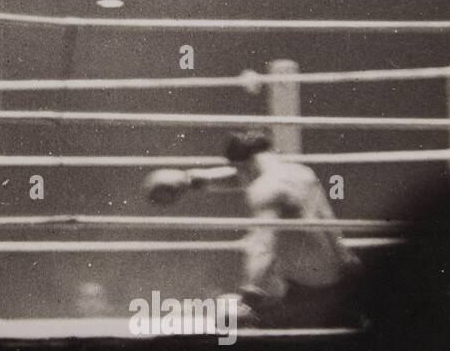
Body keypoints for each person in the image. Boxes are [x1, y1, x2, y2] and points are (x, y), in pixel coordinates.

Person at [144, 128, 361, 326]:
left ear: (243, 165)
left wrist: (249, 292)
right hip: (336, 283)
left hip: (310, 296)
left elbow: (263, 245)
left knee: (226, 315)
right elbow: (240, 176)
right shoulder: (302, 173)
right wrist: (188, 179)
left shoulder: (265, 188)